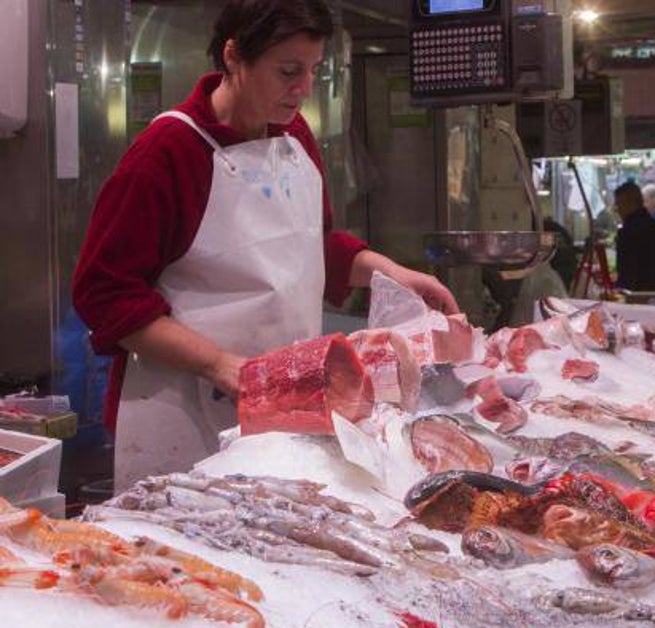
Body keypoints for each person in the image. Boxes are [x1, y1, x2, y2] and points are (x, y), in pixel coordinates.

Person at [72, 0, 458, 490]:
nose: (303, 89)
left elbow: (306, 247)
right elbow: (104, 293)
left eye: (313, 70)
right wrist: (222, 366)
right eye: (288, 71)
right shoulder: (167, 152)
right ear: (234, 56)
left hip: (286, 407)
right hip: (186, 411)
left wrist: (392, 274)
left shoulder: (294, 136)